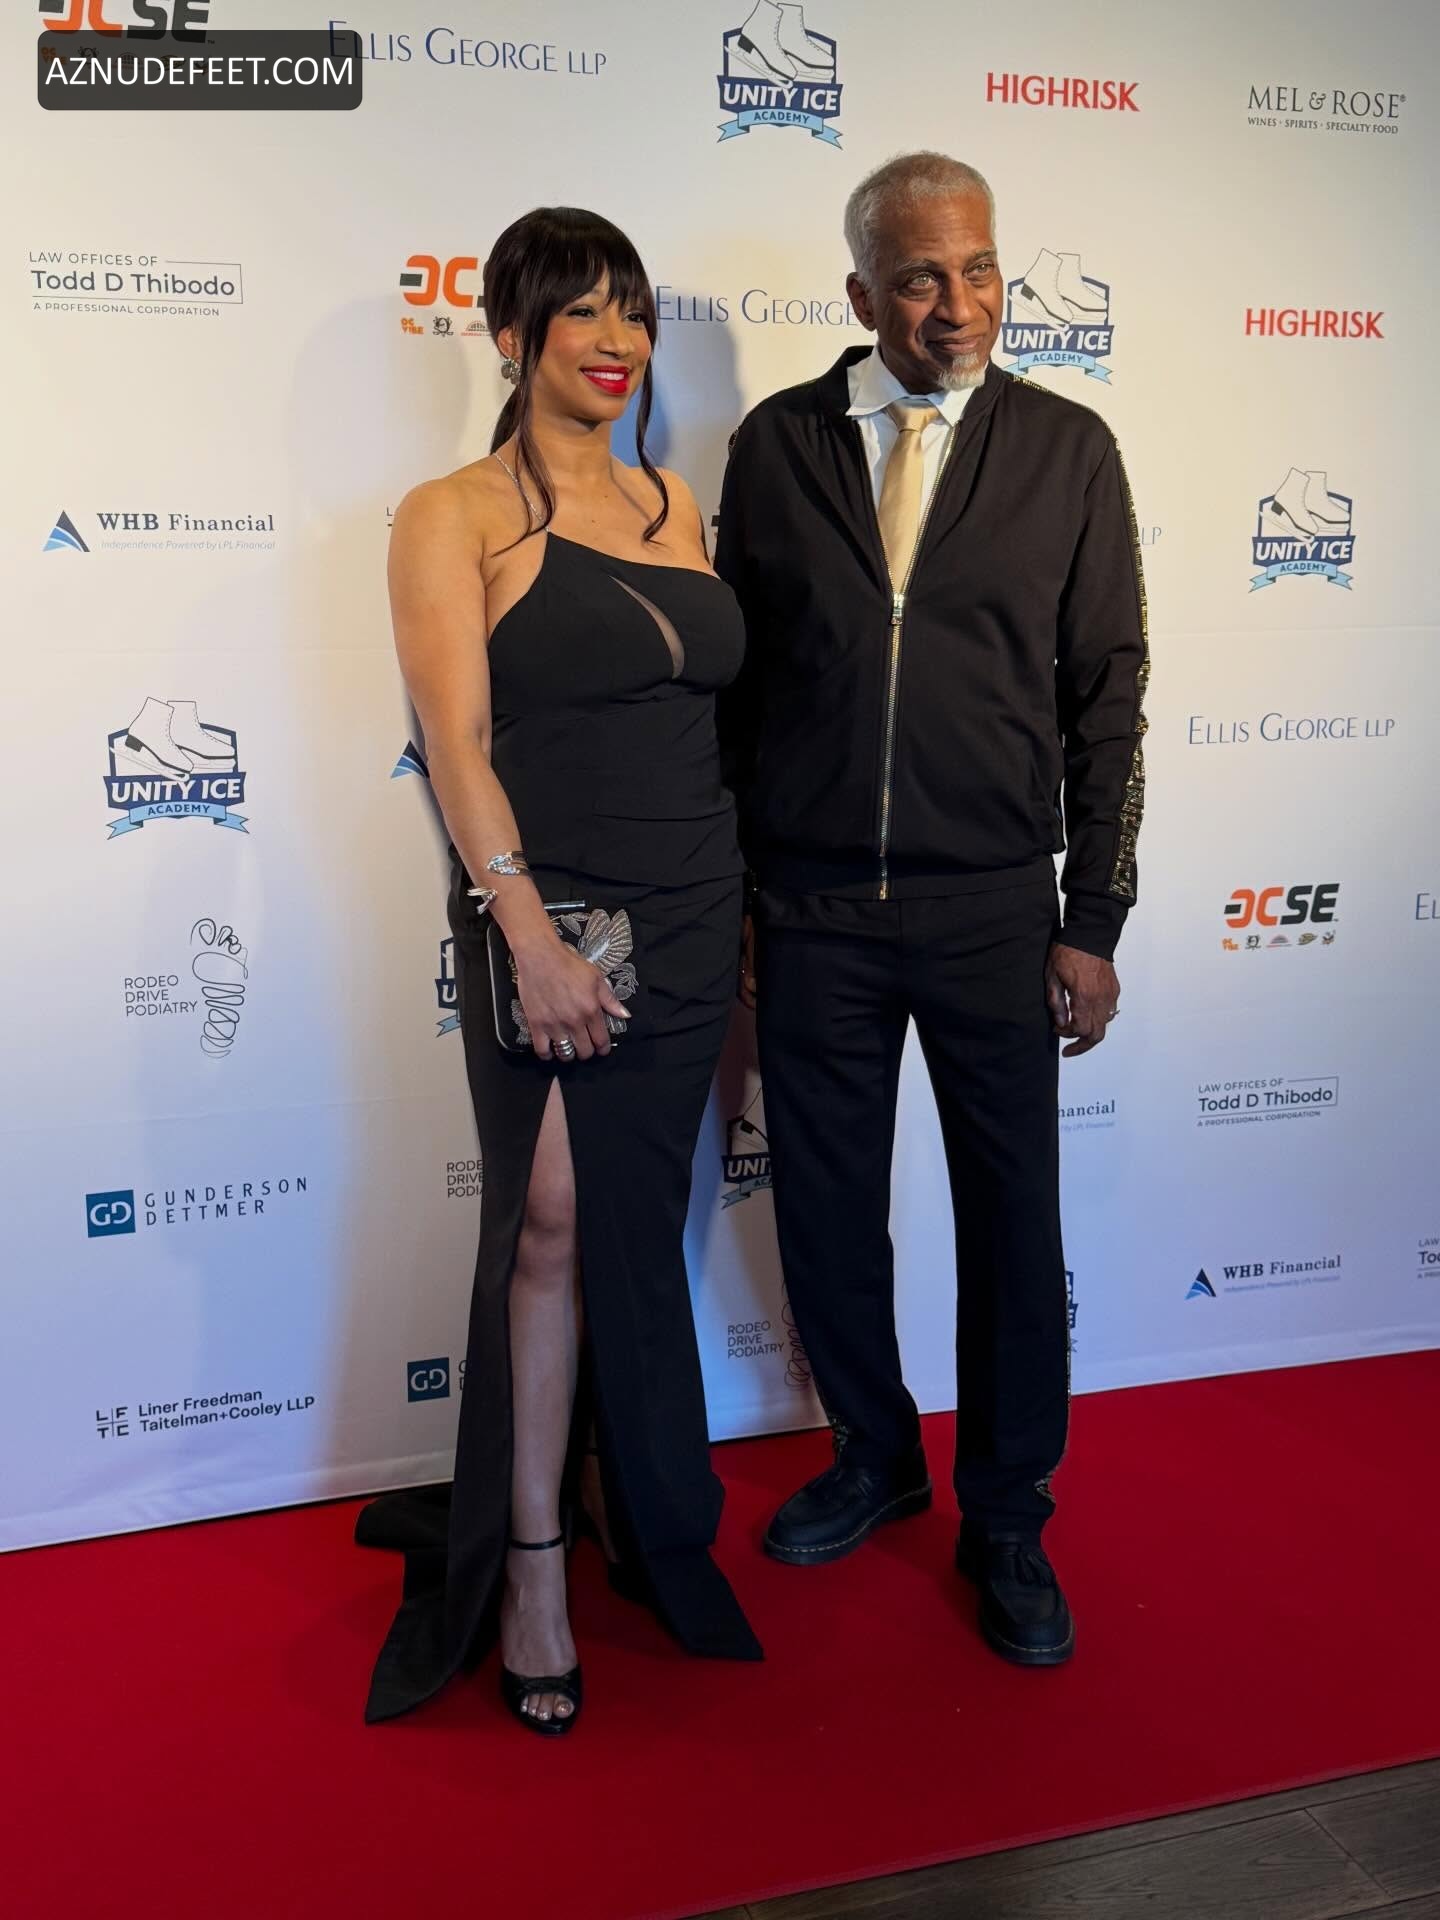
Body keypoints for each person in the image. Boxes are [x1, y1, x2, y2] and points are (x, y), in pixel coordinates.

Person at [715, 152, 1148, 1666]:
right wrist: (746, 893)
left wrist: (1092, 913)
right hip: (814, 907)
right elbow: (741, 694)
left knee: (1012, 1221)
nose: (957, 305)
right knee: (830, 1211)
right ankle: (875, 1454)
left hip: (992, 911)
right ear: (861, 295)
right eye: (919, 277)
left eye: (978, 271)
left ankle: (1009, 1512)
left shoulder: (1067, 448)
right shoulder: (776, 445)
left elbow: (1108, 695)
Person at [358, 205, 762, 1735]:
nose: (615, 340)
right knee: (545, 1229)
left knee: (633, 1236)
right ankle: (528, 1562)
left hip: (695, 899)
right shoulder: (452, 511)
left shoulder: (673, 499)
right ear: (512, 333)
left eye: (633, 311)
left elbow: (704, 723)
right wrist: (524, 935)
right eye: (581, 309)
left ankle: (629, 1500)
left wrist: (744, 922)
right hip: (559, 909)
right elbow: (456, 745)